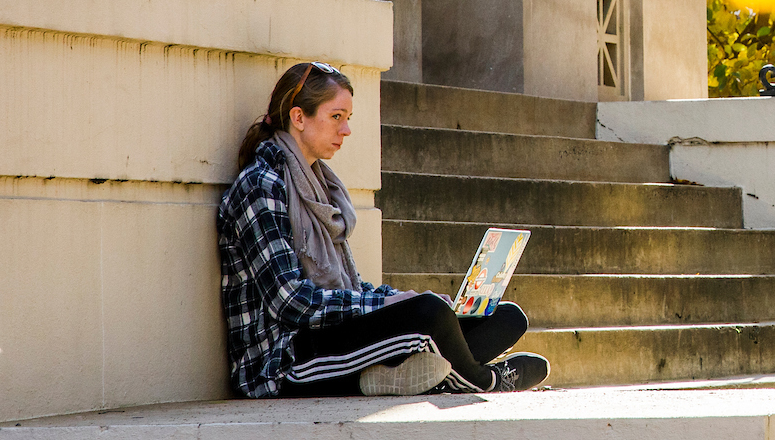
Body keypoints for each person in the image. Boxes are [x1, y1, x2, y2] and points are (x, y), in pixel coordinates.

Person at [215, 61, 550, 397]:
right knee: (429, 315)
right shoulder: (261, 186)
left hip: (330, 340)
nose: (346, 130)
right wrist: (393, 307)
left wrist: (397, 299)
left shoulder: (320, 186)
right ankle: (481, 379)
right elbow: (291, 302)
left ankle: (422, 374)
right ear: (299, 117)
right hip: (283, 364)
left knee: (505, 317)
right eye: (336, 117)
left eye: (348, 119)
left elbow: (351, 289)